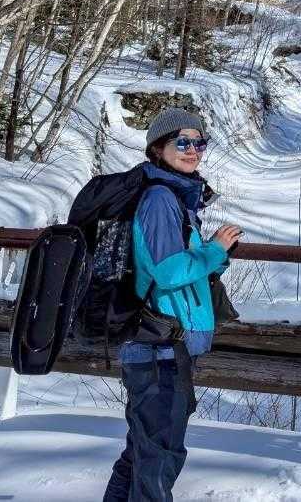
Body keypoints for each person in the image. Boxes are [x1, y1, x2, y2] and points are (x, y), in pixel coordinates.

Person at [103, 107, 243, 502]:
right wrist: (214, 251)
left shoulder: (175, 200)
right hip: (158, 348)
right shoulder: (160, 199)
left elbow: (175, 267)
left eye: (199, 143)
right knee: (160, 457)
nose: (193, 150)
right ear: (158, 148)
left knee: (143, 454)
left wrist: (213, 254)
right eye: (182, 142)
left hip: (163, 346)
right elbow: (168, 271)